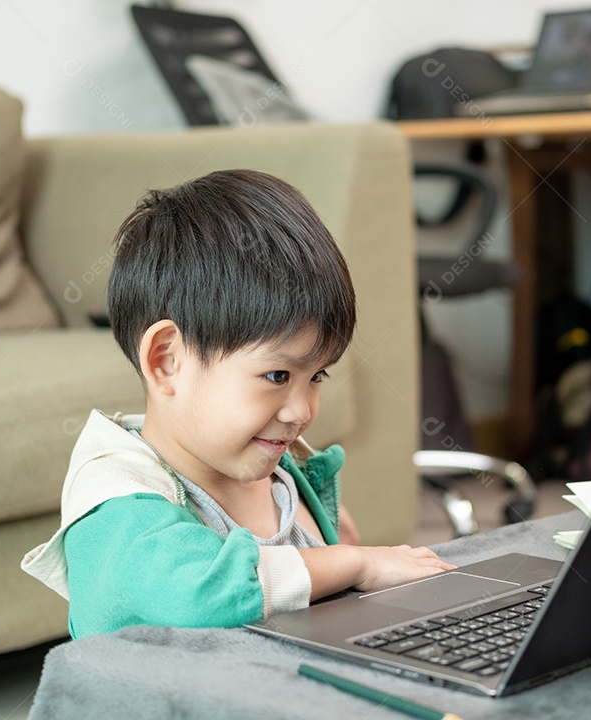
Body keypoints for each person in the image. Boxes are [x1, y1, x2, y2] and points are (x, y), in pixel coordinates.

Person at [22, 169, 453, 638]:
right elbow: (197, 594)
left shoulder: (284, 477)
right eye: (276, 375)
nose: (302, 411)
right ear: (167, 361)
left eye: (317, 376)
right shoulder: (117, 503)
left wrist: (341, 555)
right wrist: (351, 563)